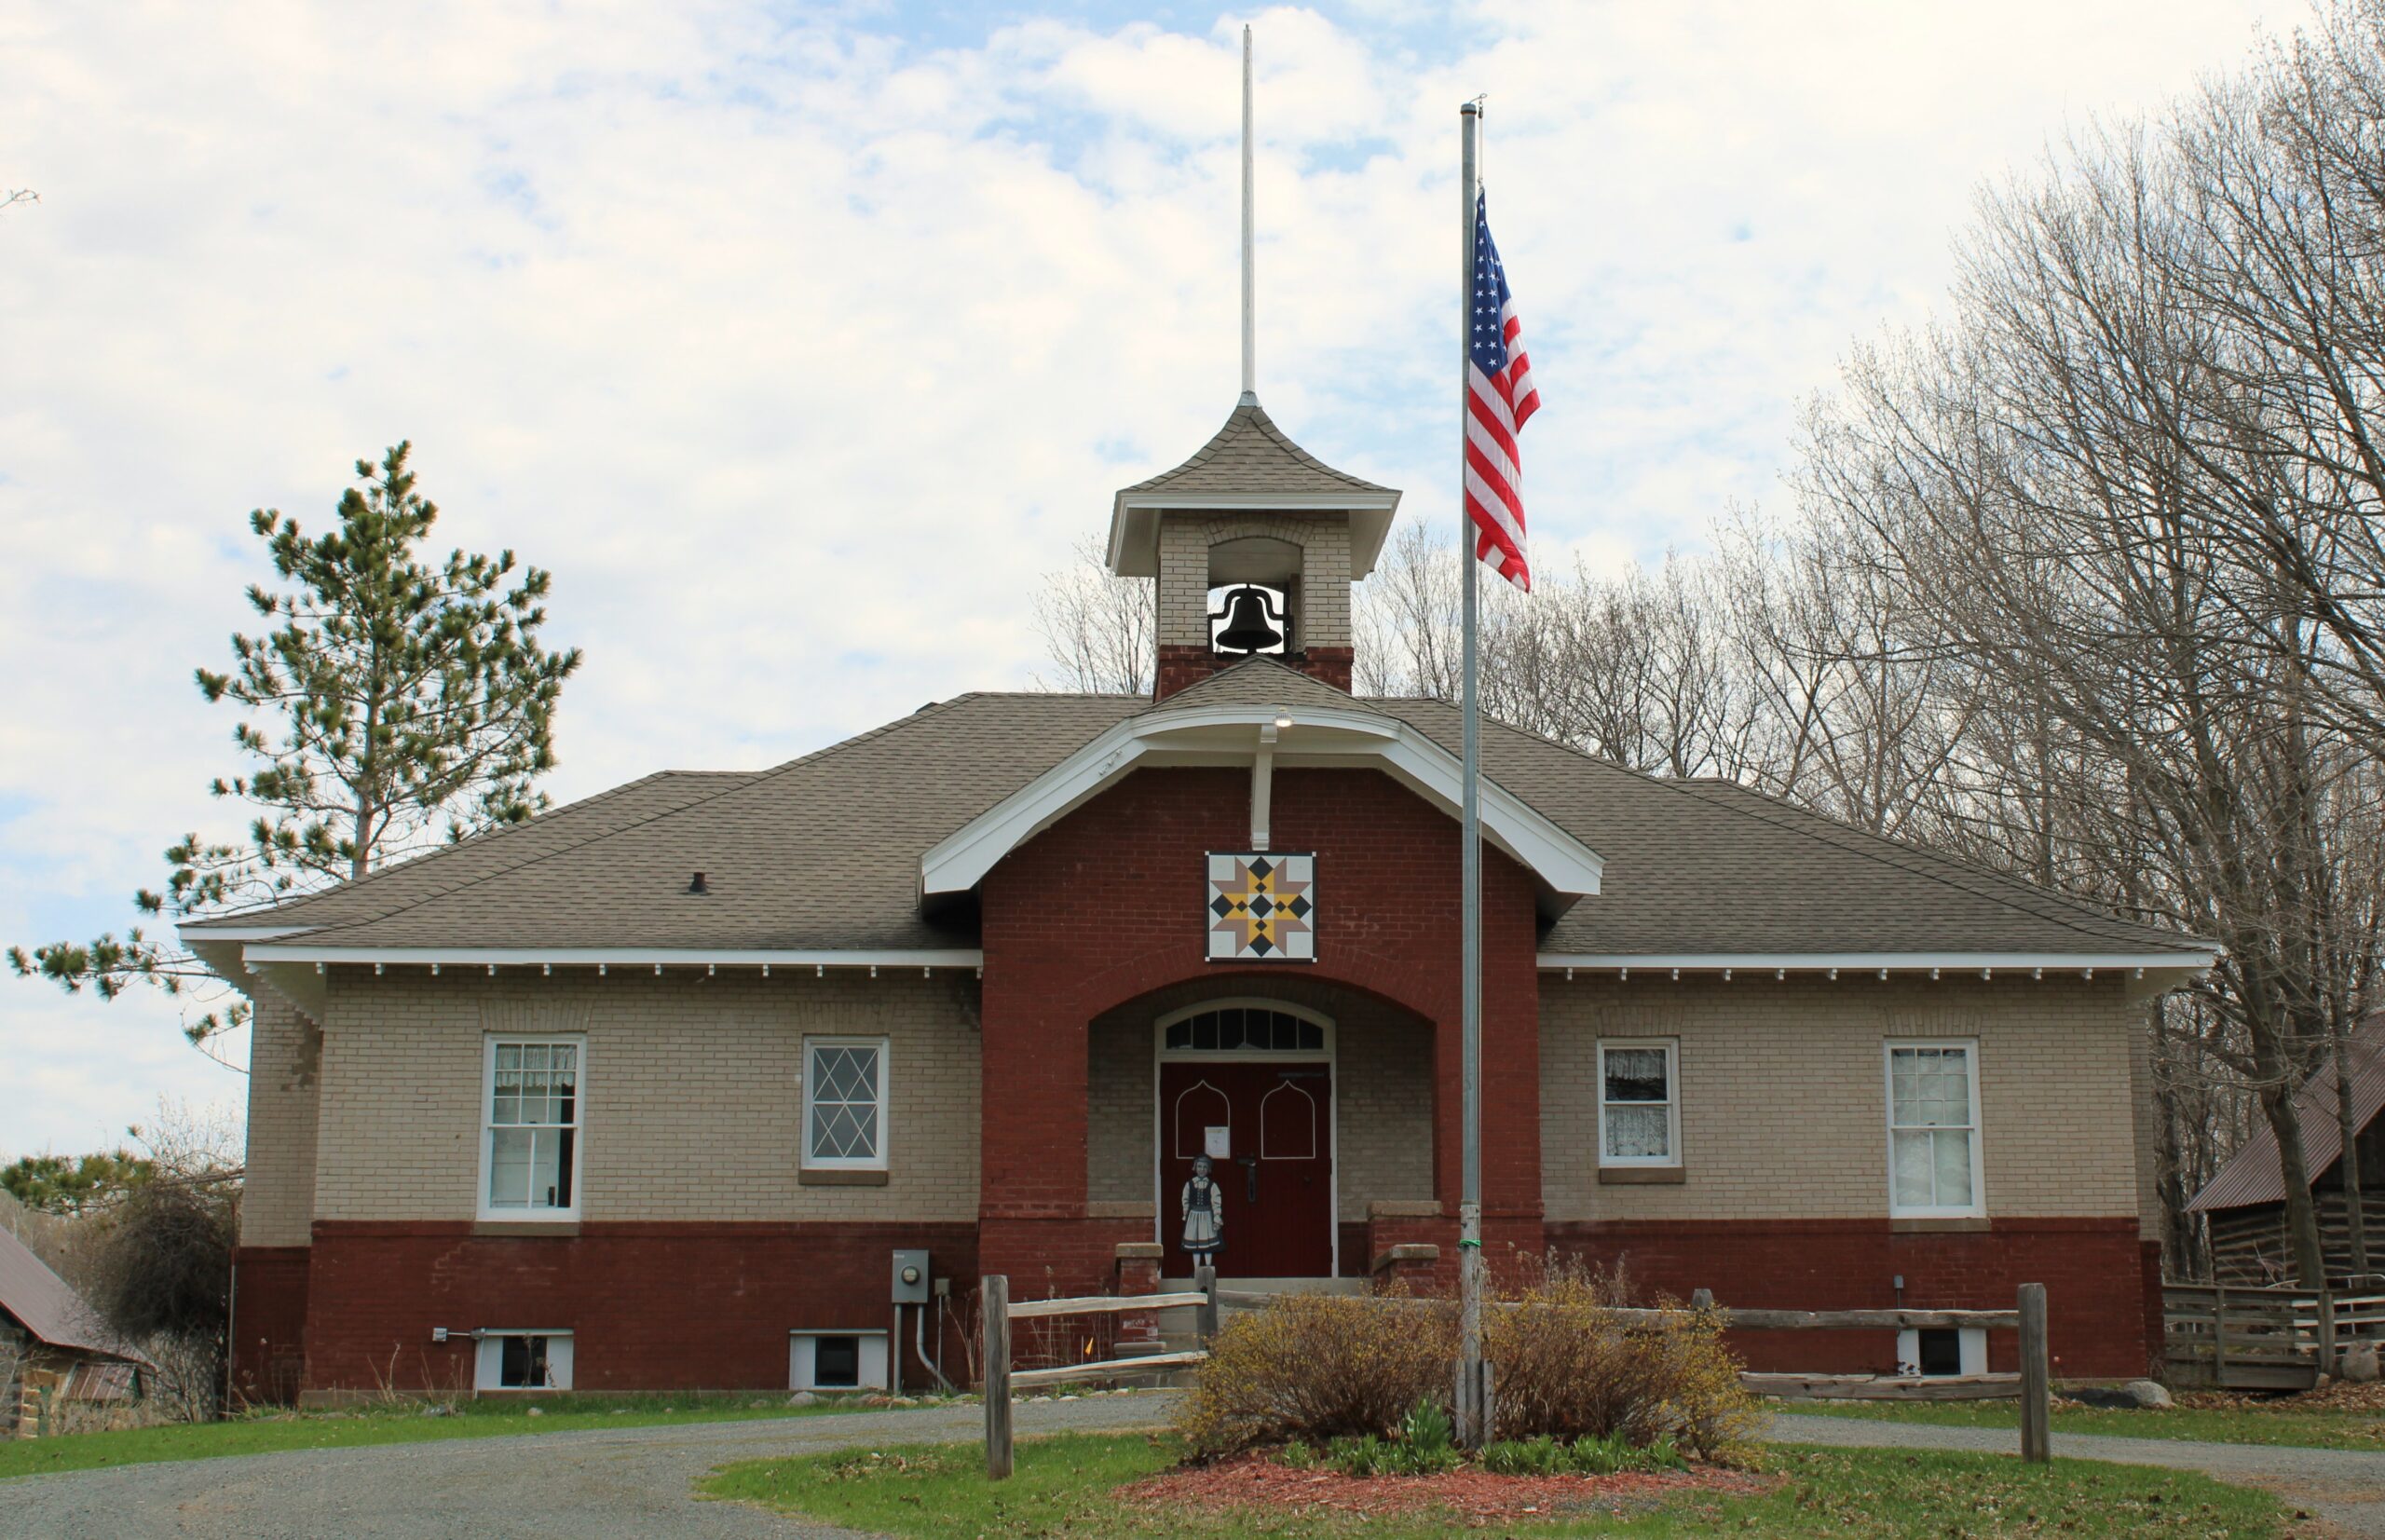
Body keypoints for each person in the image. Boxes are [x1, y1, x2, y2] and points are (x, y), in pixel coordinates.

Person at [1180, 1153, 1224, 1260]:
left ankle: (1208, 1268)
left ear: (1209, 1169)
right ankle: (1197, 1270)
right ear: (1195, 1168)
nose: (1202, 1169)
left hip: (1207, 1218)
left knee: (1207, 1246)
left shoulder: (1212, 1186)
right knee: (1195, 1246)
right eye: (1199, 1166)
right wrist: (1186, 1213)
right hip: (1193, 1217)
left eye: (1205, 1167)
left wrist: (1216, 1218)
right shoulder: (1189, 1184)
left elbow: (1216, 1203)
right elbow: (1185, 1200)